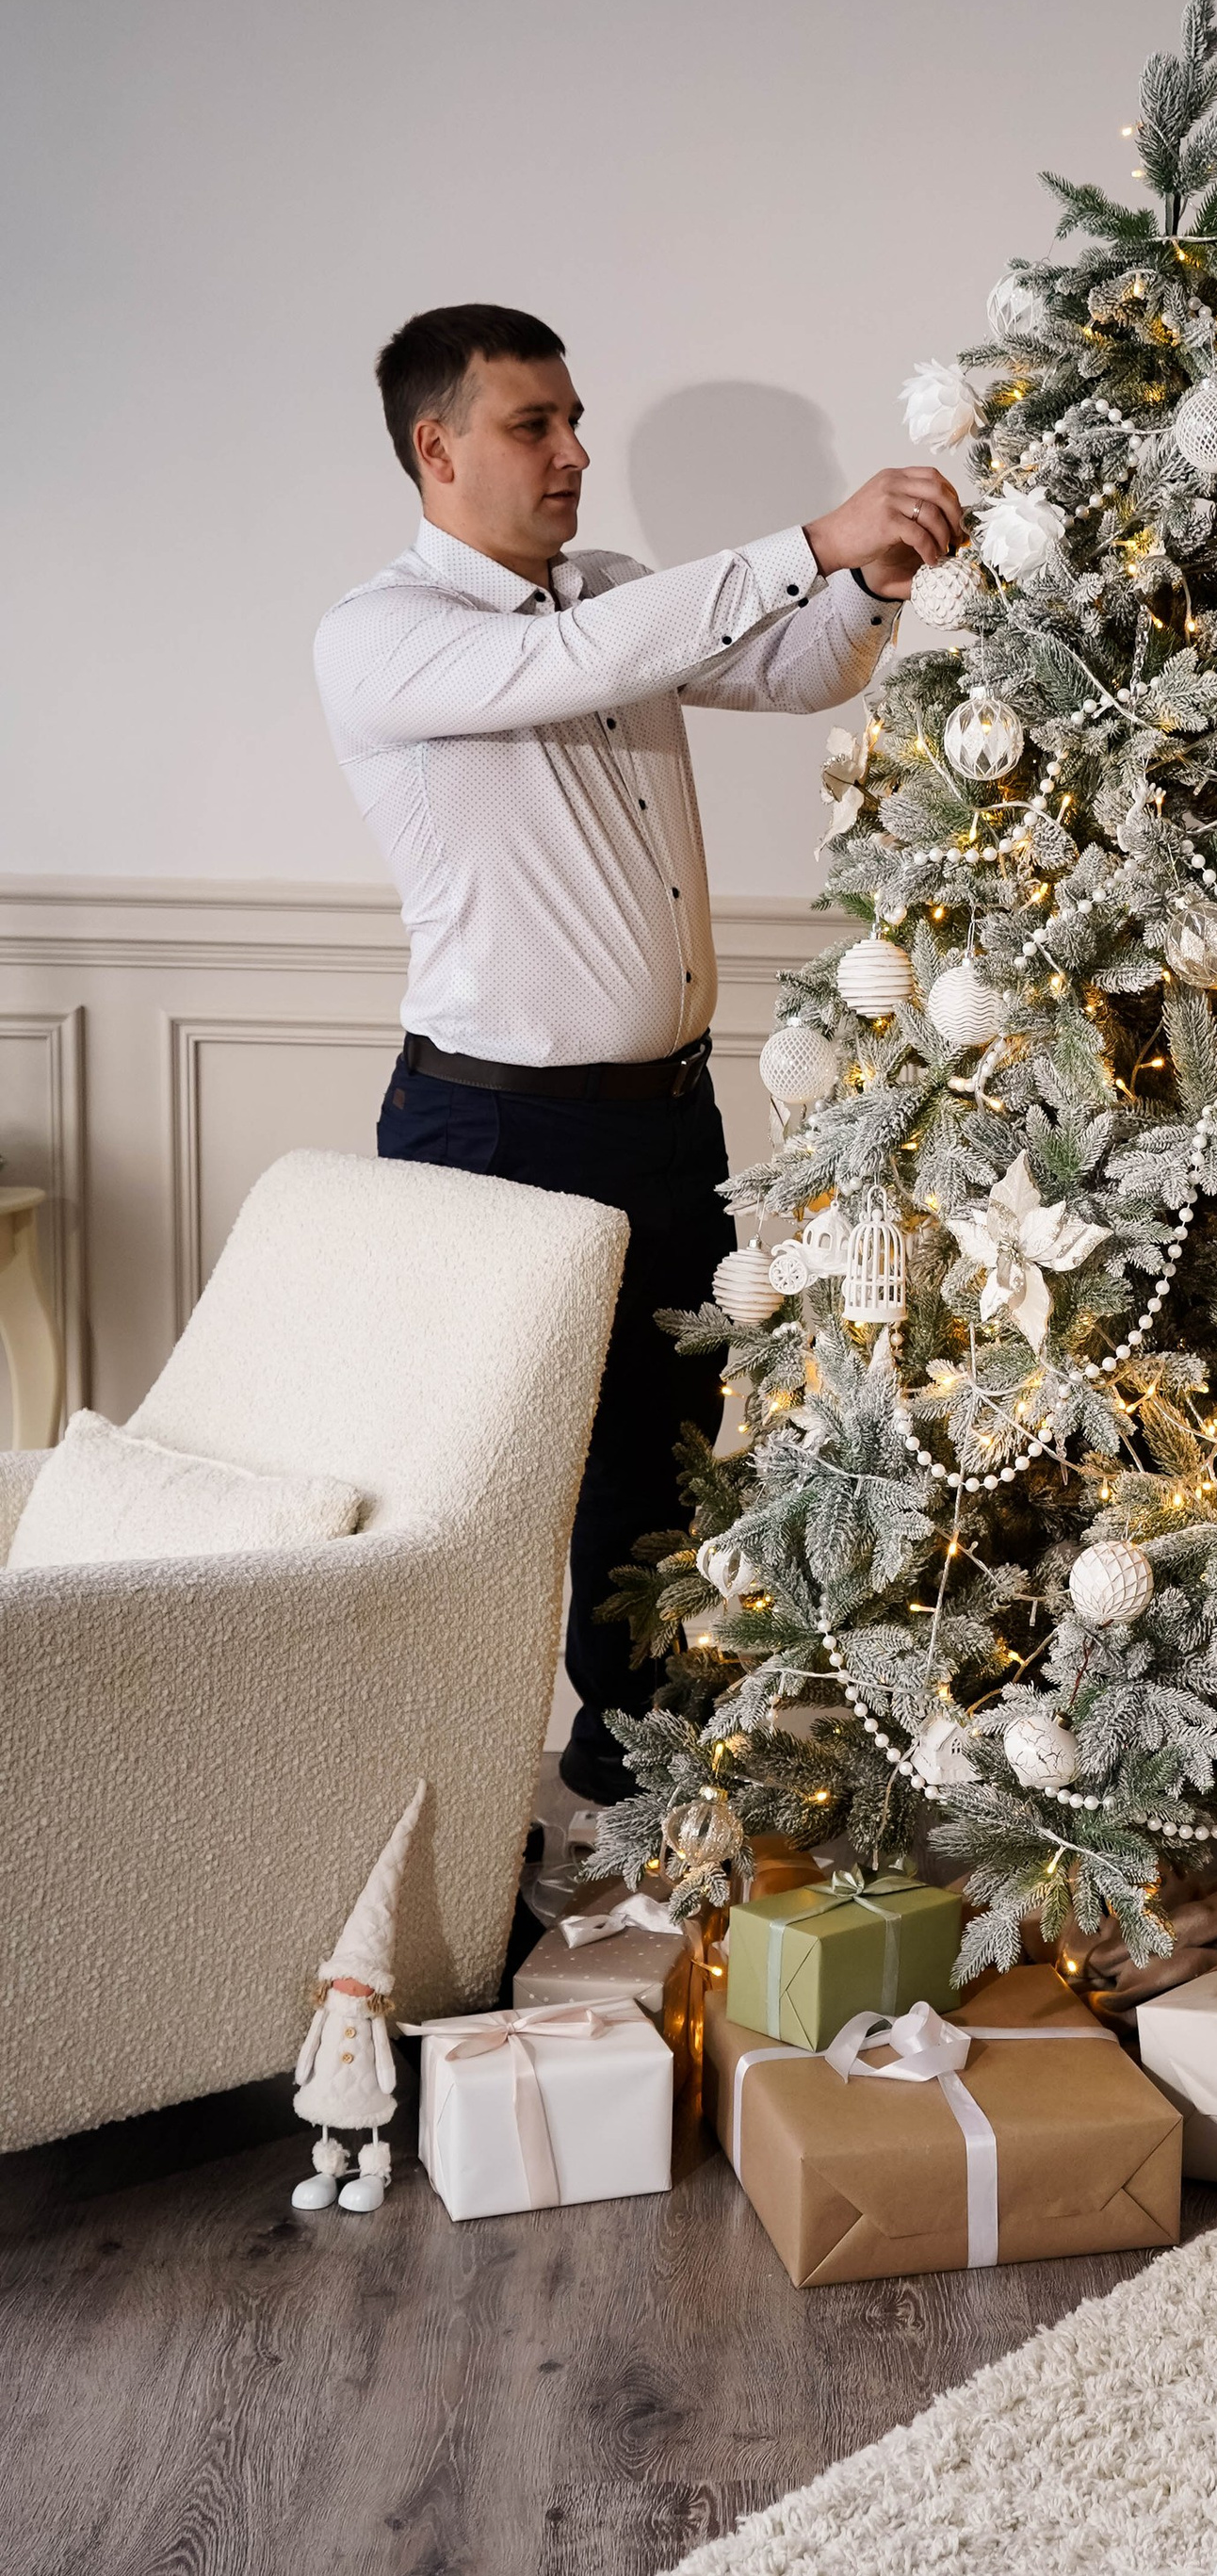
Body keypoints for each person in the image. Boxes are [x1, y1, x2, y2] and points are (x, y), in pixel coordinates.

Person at [316, 303, 965, 1801]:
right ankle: (437, 1818)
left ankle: (633, 1817)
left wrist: (866, 583)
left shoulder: (610, 598)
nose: (573, 451)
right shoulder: (382, 638)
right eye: (531, 425)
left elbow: (795, 672)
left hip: (668, 1121)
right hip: (491, 1137)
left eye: (571, 418)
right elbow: (612, 647)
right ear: (438, 446)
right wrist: (812, 533)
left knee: (656, 1490)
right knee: (475, 1498)